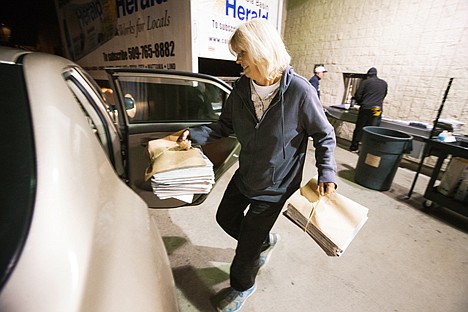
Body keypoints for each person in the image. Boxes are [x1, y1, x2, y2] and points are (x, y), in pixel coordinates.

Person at [174, 19, 337, 312]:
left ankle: (243, 287)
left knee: (245, 249)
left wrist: (327, 171)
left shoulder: (300, 91)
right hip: (246, 174)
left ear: (260, 50)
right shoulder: (240, 90)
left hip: (275, 185)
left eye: (241, 53)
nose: (237, 61)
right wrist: (194, 134)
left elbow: (324, 134)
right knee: (225, 217)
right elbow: (223, 126)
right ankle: (264, 241)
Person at [350, 67, 388, 152]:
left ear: (368, 75)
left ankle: (354, 147)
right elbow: (384, 95)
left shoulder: (365, 82)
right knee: (373, 129)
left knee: (360, 127)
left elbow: (358, 95)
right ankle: (368, 149)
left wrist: (360, 102)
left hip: (366, 107)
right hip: (377, 108)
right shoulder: (384, 83)